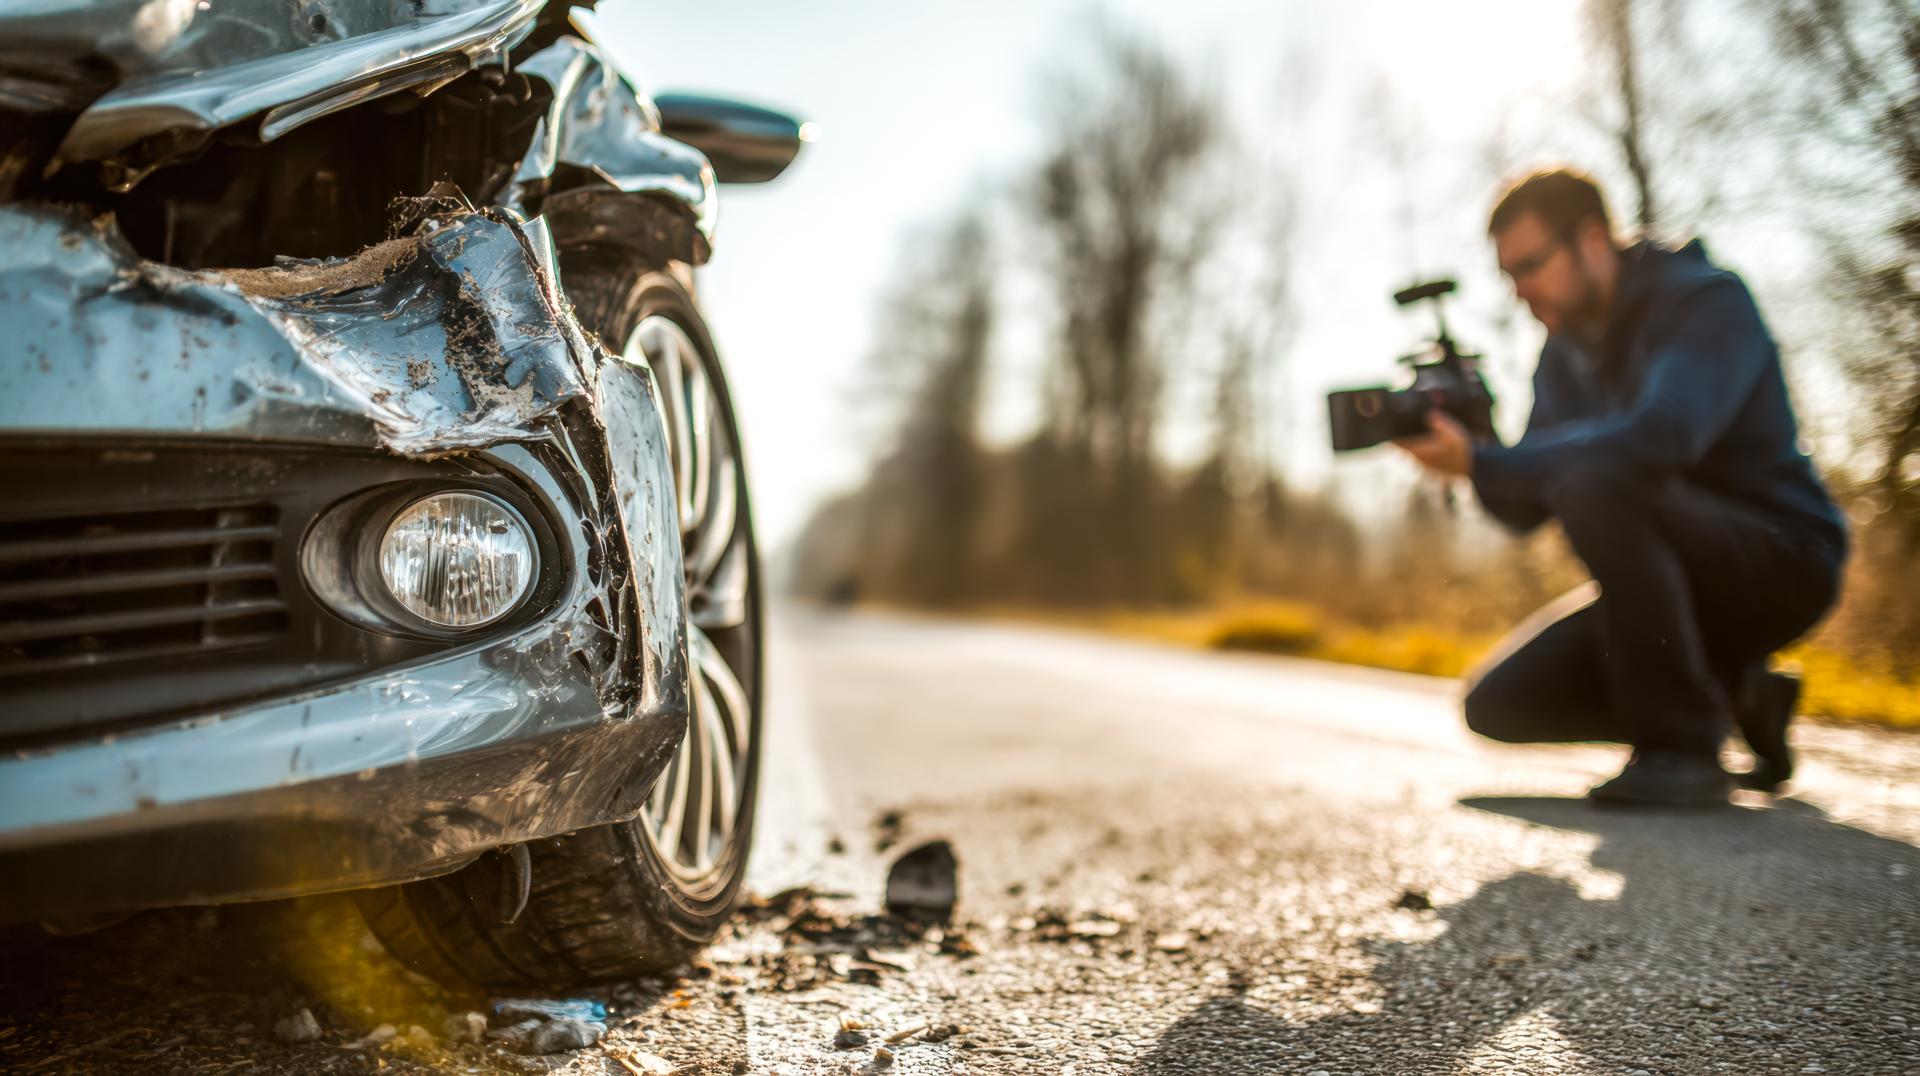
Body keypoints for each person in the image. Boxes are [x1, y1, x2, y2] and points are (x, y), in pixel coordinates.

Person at [1394, 167, 1848, 807]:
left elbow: (1663, 436)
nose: (1521, 291)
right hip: (1668, 596)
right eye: (1509, 276)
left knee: (1597, 477)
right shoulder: (1562, 353)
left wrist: (1494, 462)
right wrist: (1479, 448)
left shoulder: (1705, 301)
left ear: (1593, 240)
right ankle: (1734, 695)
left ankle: (1684, 749)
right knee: (1498, 705)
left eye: (1531, 265)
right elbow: (1524, 510)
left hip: (1783, 560)